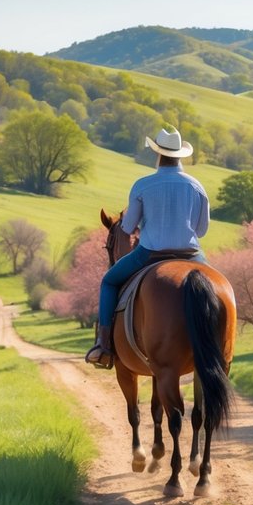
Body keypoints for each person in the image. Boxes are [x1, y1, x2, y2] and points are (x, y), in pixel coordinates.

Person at [85, 127, 210, 368]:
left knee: (109, 282)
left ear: (158, 154)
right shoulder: (197, 186)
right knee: (218, 286)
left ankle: (103, 345)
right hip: (191, 255)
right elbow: (202, 230)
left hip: (150, 254)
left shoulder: (143, 185)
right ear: (180, 155)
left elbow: (129, 226)